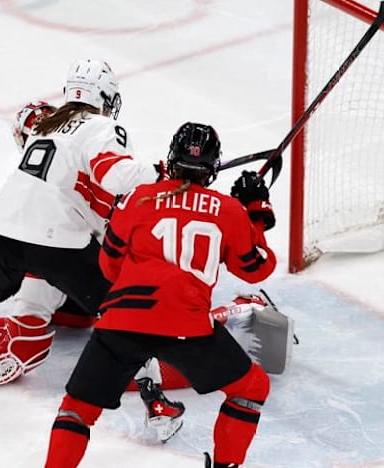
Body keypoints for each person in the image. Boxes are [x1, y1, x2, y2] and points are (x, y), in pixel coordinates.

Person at [0, 59, 185, 440]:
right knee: (121, 313)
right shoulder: (101, 126)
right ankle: (155, 400)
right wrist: (162, 174)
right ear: (105, 97)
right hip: (58, 240)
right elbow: (116, 177)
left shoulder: (45, 125)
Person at [43, 122, 277, 468]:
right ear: (213, 167)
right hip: (187, 326)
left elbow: (109, 267)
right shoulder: (228, 210)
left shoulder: (139, 198)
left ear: (171, 159)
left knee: (77, 408)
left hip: (122, 321)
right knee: (251, 389)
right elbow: (257, 268)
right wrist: (255, 211)